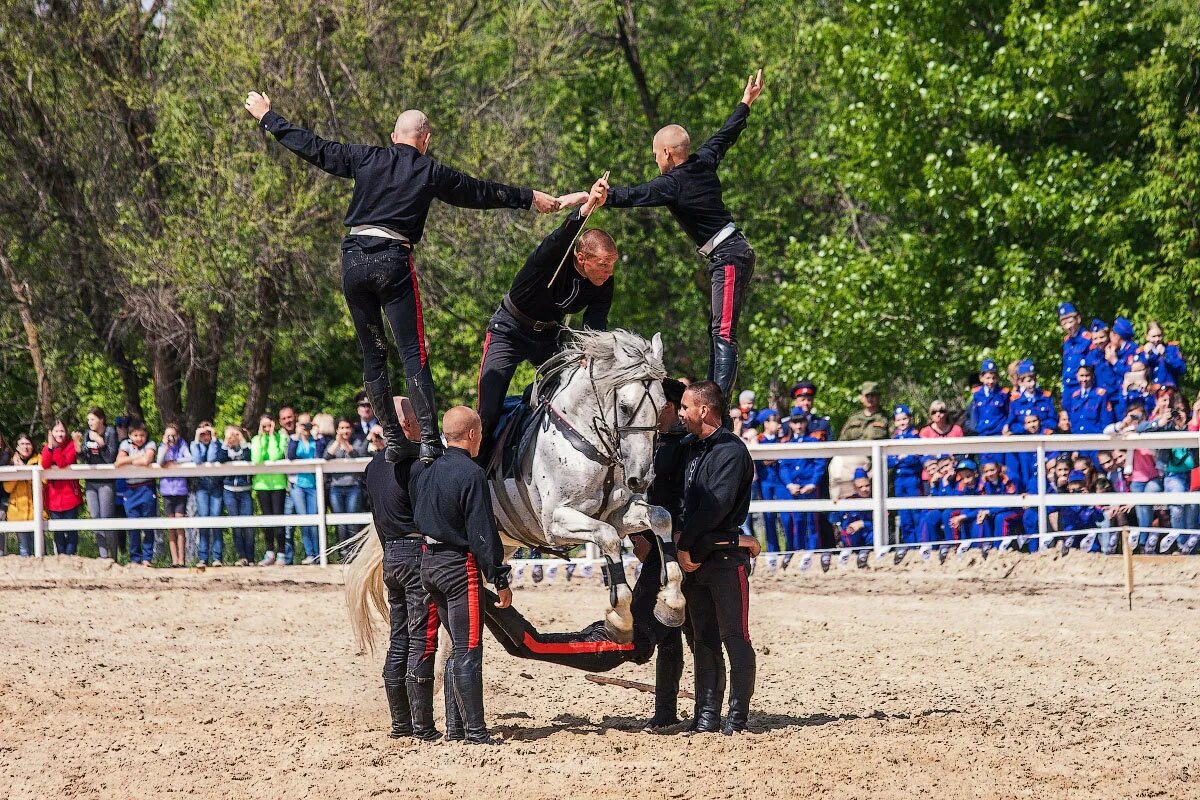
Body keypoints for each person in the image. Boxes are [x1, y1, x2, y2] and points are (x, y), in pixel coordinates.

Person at [244, 92, 560, 463]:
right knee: (413, 352)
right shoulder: (429, 170)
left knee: (373, 353)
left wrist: (269, 118)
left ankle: (393, 438)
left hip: (354, 262)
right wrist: (529, 197)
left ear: (394, 135)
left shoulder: (366, 157)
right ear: (425, 140)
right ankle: (427, 440)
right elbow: (480, 191)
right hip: (392, 262)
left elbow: (317, 149)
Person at [576, 71, 765, 398]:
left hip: (729, 254)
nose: (655, 160)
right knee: (716, 331)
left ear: (666, 153)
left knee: (723, 333)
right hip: (731, 252)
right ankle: (712, 395)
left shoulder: (673, 183)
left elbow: (637, 195)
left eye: (654, 154)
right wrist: (745, 102)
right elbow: (725, 135)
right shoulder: (703, 161)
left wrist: (605, 197)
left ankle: (714, 406)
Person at [477, 176, 614, 447]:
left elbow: (595, 322)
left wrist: (591, 353)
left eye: (612, 265)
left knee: (566, 394)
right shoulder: (552, 258)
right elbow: (560, 237)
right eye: (603, 265)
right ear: (581, 258)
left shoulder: (605, 280)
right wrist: (586, 208)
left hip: (549, 338)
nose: (608, 272)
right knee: (489, 407)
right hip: (510, 329)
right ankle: (477, 465)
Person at [412, 407, 512, 745]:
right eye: (480, 431)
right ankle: (475, 732)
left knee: (455, 647)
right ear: (471, 434)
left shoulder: (426, 471)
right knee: (469, 649)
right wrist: (499, 578)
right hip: (458, 569)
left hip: (428, 565)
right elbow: (483, 533)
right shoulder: (471, 474)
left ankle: (455, 729)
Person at [675, 380, 756, 735]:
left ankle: (736, 718)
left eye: (684, 406)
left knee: (734, 637)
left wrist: (685, 544)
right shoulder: (693, 449)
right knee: (703, 640)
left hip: (723, 560)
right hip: (696, 559)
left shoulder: (731, 453)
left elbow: (715, 506)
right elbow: (683, 502)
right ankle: (706, 715)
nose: (680, 412)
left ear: (704, 410)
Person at [363, 396, 442, 740]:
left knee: (398, 638)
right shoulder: (416, 465)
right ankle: (423, 727)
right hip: (416, 552)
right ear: (407, 425)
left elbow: (378, 519)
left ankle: (400, 723)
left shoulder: (372, 467)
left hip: (390, 553)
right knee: (421, 639)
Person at [75, 407, 119, 559]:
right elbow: (85, 457)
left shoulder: (110, 432)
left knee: (107, 518)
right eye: (88, 420)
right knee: (95, 517)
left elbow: (110, 458)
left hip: (106, 481)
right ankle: (103, 556)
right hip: (91, 481)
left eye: (92, 419)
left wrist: (101, 442)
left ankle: (114, 556)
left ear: (101, 419)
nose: (90, 422)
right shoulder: (88, 434)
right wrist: (78, 444)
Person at [780, 413, 825, 551]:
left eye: (801, 422)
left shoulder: (813, 442)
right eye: (795, 422)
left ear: (806, 423)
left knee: (813, 521)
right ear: (791, 424)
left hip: (809, 486)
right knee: (796, 521)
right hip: (794, 487)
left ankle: (814, 551)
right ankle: (798, 551)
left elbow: (819, 464)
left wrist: (812, 483)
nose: (799, 426)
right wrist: (789, 484)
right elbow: (783, 466)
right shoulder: (787, 444)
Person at [287, 412, 327, 565]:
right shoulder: (293, 440)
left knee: (316, 519)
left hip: (314, 485)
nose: (305, 427)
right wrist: (297, 435)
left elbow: (319, 454)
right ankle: (310, 553)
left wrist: (317, 437)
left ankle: (319, 553)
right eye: (302, 424)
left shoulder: (316, 440)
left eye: (307, 424)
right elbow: (290, 456)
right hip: (298, 485)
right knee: (304, 520)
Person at [116, 421, 158, 565]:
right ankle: (135, 558)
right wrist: (135, 458)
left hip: (146, 487)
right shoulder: (125, 445)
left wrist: (129, 460)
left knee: (148, 525)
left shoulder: (150, 444)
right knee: (133, 526)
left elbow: (147, 460)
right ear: (129, 435)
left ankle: (147, 557)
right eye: (135, 435)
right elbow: (118, 462)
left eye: (142, 435)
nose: (139, 438)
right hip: (130, 489)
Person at [251, 414, 288, 566]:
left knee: (279, 519)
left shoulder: (281, 437)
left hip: (278, 484)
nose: (266, 428)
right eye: (264, 426)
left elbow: (275, 456)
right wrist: (261, 438)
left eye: (269, 425)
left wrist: (272, 436)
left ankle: (281, 552)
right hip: (262, 484)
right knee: (267, 519)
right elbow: (257, 459)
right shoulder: (255, 440)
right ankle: (269, 551)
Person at [325, 417, 367, 552]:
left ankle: (354, 551)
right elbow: (326, 457)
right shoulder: (332, 443)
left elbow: (357, 455)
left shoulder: (357, 442)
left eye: (347, 427)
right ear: (337, 430)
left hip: (353, 487)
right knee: (340, 522)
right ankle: (343, 551)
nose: (345, 431)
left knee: (353, 521)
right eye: (342, 428)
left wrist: (345, 444)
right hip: (336, 488)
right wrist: (338, 442)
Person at [41, 420, 82, 555]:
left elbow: (63, 463)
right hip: (54, 497)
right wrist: (50, 447)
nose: (60, 434)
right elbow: (45, 464)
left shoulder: (71, 446)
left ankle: (70, 556)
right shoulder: (47, 447)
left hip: (70, 495)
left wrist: (56, 448)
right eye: (57, 431)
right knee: (58, 531)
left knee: (71, 530)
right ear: (51, 433)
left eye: (62, 431)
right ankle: (61, 557)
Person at [156, 422, 192, 567]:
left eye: (173, 435)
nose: (171, 438)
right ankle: (174, 560)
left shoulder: (182, 444)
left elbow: (190, 458)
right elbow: (159, 461)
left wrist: (175, 461)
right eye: (168, 435)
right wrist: (165, 447)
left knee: (180, 525)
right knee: (171, 526)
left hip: (180, 489)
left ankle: (182, 559)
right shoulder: (162, 446)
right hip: (166, 490)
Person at [218, 425, 255, 566]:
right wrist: (226, 442)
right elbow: (220, 459)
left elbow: (249, 457)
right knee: (236, 526)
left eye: (235, 434)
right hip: (229, 490)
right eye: (229, 435)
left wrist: (242, 441)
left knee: (248, 526)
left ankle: (251, 558)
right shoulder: (225, 449)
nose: (233, 437)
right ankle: (242, 556)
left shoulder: (247, 447)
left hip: (245, 490)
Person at [888, 405, 922, 544]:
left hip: (912, 478)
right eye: (899, 420)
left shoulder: (914, 437)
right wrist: (899, 458)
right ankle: (909, 545)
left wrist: (903, 458)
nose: (902, 422)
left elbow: (915, 458)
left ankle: (920, 544)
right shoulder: (894, 439)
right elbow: (889, 461)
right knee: (904, 515)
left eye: (905, 419)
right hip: (899, 479)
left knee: (916, 514)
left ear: (910, 419)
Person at [191, 421, 224, 567]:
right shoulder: (195, 445)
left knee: (216, 520)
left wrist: (214, 439)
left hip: (216, 486)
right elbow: (198, 460)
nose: (205, 436)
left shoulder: (218, 444)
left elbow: (211, 458)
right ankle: (203, 558)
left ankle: (217, 557)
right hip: (202, 487)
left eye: (208, 433)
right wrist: (197, 439)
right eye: (203, 434)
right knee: (203, 521)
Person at [753, 410, 787, 552]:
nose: (777, 424)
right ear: (766, 423)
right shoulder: (759, 440)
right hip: (766, 481)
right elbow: (763, 461)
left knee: (786, 516)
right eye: (774, 420)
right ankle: (773, 550)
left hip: (781, 482)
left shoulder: (783, 439)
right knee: (768, 517)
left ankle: (790, 549)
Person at [967, 359, 1008, 466]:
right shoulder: (977, 394)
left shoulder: (1003, 393)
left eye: (993, 378)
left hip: (998, 435)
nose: (991, 381)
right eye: (988, 378)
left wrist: (1006, 427)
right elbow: (974, 415)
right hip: (983, 435)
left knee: (999, 467)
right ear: (981, 378)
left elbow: (1008, 413)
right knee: (985, 467)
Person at [5, 434, 40, 556]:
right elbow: (7, 488)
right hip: (18, 511)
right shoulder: (11, 462)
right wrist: (17, 471)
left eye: (28, 444)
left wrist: (24, 470)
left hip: (36, 510)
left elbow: (43, 482)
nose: (25, 447)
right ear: (17, 447)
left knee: (40, 548)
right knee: (24, 548)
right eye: (22, 444)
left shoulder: (39, 459)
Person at [1004, 360, 1057, 434]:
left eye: (1034, 379)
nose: (1033, 384)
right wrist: (1025, 427)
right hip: (1024, 441)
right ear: (1020, 382)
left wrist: (1039, 425)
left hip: (1043, 439)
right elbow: (1012, 424)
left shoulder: (1045, 398)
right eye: (1029, 381)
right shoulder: (1016, 401)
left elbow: (1053, 421)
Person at [1065, 364, 1113, 435]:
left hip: (1095, 438)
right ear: (1077, 376)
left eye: (1087, 375)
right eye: (1081, 376)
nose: (1084, 379)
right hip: (1077, 437)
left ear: (1092, 376)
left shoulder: (1101, 395)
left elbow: (1106, 420)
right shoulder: (1074, 396)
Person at [830, 469, 873, 547]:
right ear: (855, 488)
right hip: (852, 539)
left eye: (867, 486)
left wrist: (862, 524)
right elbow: (834, 519)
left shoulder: (875, 501)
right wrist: (835, 504)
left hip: (870, 539)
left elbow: (881, 524)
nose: (864, 489)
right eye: (860, 487)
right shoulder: (848, 501)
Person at [1083, 320, 1126, 397]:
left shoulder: (1117, 351)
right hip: (1100, 397)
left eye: (1102, 337)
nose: (1099, 341)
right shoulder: (1091, 355)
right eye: (1095, 339)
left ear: (1108, 336)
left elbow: (1125, 372)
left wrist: (1113, 360)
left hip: (1117, 395)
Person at [1139, 321, 1186, 389]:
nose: (1157, 339)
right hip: (1150, 394)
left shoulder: (1171, 349)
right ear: (1146, 337)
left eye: (1159, 335)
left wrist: (1165, 355)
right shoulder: (1142, 352)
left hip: (1167, 393)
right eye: (1153, 336)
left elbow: (1182, 369)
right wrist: (1147, 355)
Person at [1058, 302, 1091, 397]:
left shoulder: (1087, 339)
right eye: (1064, 323)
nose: (1068, 326)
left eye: (1070, 322)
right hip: (1068, 386)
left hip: (1081, 386)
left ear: (1078, 319)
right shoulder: (1067, 341)